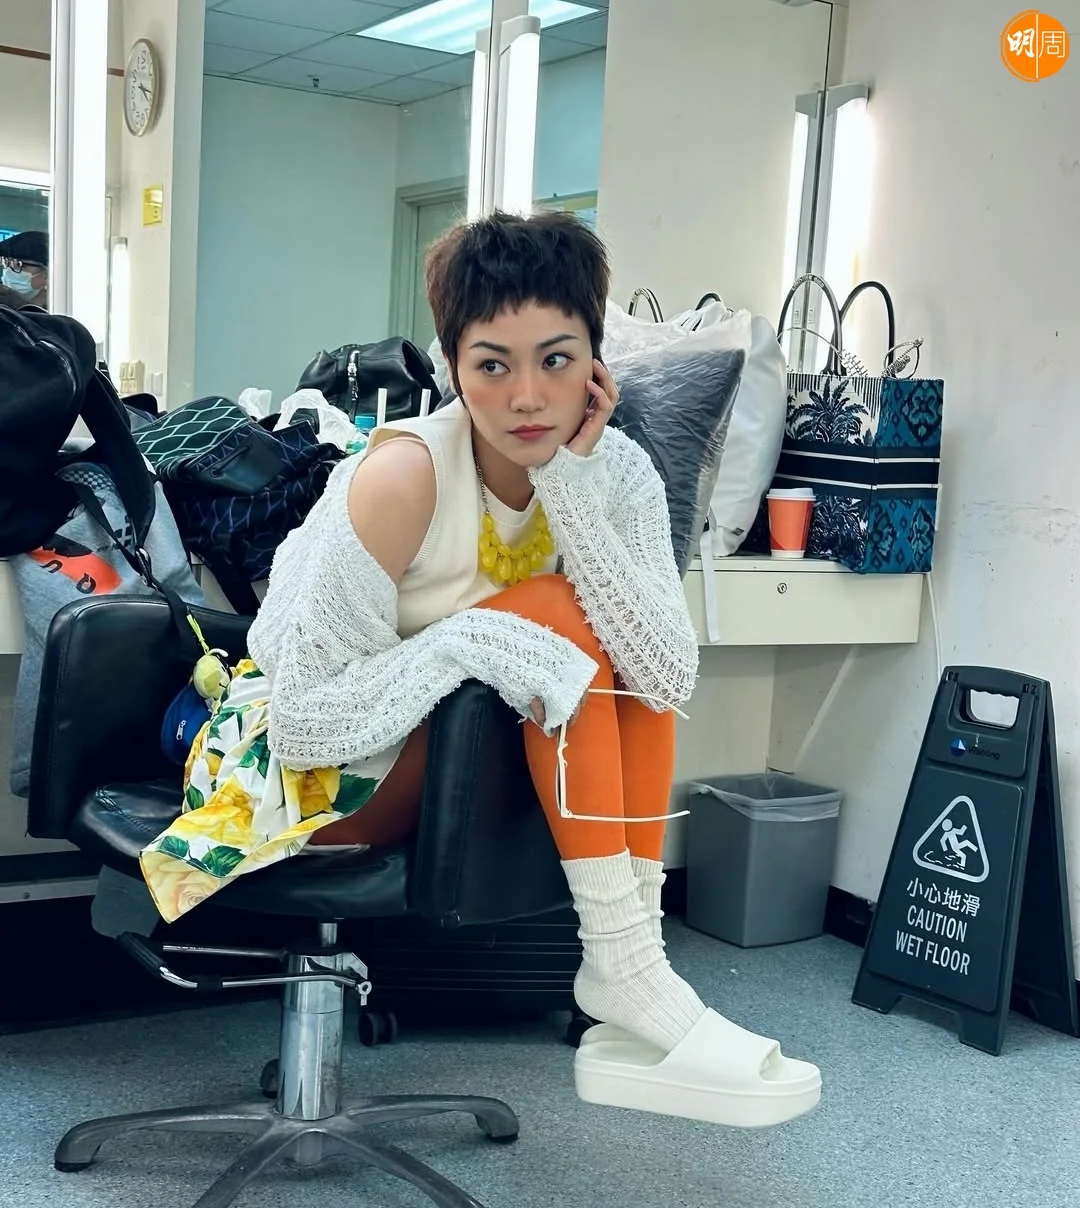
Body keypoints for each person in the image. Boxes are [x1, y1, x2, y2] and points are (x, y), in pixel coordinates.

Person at [140, 211, 819, 1127]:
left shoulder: (617, 471)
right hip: (300, 777)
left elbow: (663, 679)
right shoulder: (404, 478)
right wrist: (468, 640)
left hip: (453, 757)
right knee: (552, 611)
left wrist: (570, 485)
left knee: (598, 628)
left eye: (557, 359)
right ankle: (624, 969)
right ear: (454, 367)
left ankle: (632, 961)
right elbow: (303, 724)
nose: (528, 397)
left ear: (596, 362)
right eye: (493, 365)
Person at [0, 230, 48, 309]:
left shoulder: (63, 310)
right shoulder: (4, 311)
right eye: (6, 263)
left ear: (48, 273)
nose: (8, 271)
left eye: (19, 264)